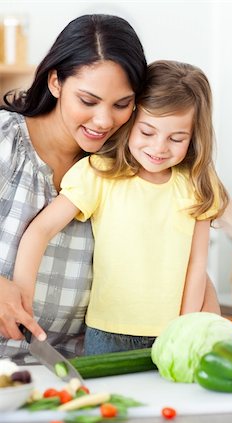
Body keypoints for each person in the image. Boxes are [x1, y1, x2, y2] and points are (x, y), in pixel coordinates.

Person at [12, 60, 229, 356]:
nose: (159, 148)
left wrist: (185, 328)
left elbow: (196, 264)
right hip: (107, 334)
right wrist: (21, 299)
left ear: (193, 138)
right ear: (130, 123)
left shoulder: (198, 187)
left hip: (170, 335)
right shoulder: (100, 173)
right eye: (147, 132)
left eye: (176, 138)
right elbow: (40, 229)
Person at [0, 13, 147, 363]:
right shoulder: (6, 141)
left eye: (121, 104)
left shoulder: (120, 172)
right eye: (88, 100)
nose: (103, 121)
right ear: (55, 82)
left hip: (64, 380)